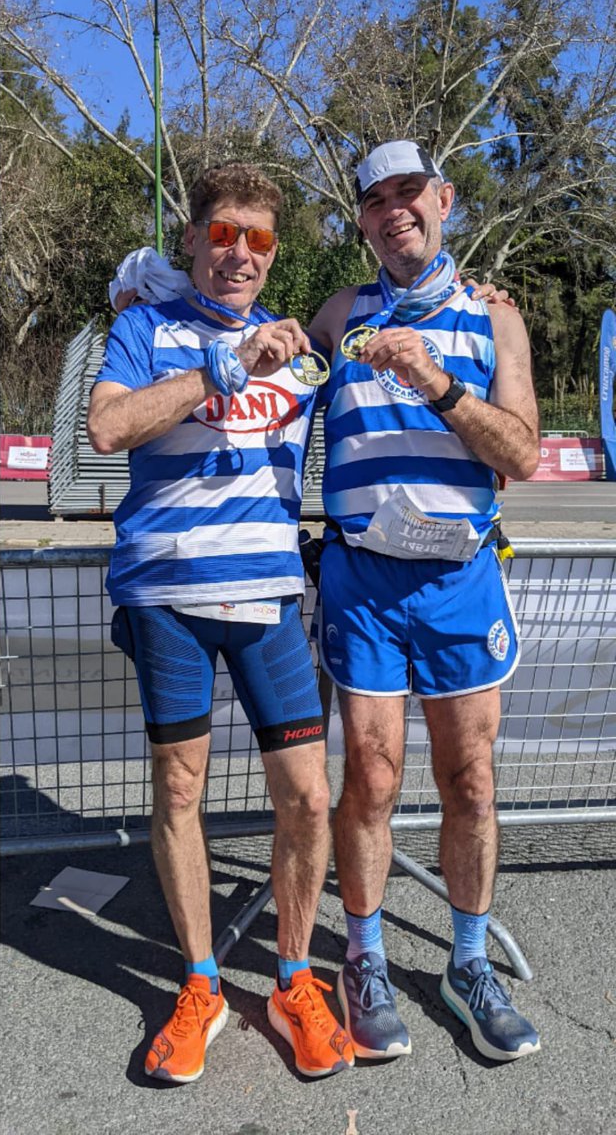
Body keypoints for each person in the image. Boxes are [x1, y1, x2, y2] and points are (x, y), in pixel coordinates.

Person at [89, 163, 354, 1081]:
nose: (242, 252)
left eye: (261, 239)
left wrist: (481, 292)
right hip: (167, 595)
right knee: (179, 794)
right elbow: (107, 429)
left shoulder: (304, 348)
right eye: (226, 232)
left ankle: (291, 978)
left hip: (270, 598)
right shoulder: (144, 327)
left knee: (309, 797)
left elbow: (383, 317)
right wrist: (223, 366)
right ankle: (200, 985)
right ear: (194, 238)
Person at [306, 140, 542, 1061]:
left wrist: (436, 383)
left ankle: (467, 963)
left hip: (459, 578)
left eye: (411, 193)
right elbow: (250, 341)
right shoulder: (339, 313)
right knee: (369, 777)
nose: (395, 211)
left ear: (444, 200)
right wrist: (142, 298)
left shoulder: (496, 321)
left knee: (470, 781)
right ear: (361, 221)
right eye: (376, 201)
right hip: (363, 580)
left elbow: (519, 455)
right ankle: (361, 960)